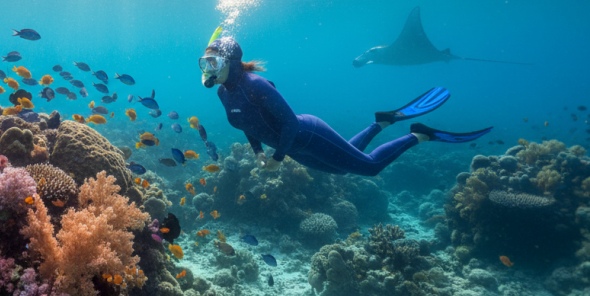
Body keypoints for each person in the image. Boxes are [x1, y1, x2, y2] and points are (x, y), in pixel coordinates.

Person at [199, 32, 492, 176]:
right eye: (204, 63)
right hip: (294, 146)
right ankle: (382, 122)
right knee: (341, 170)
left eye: (212, 62)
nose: (207, 70)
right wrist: (259, 152)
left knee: (369, 168)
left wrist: (277, 159)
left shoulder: (256, 85)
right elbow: (248, 124)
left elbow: (288, 123)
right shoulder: (225, 93)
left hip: (307, 134)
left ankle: (419, 134)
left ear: (230, 62)